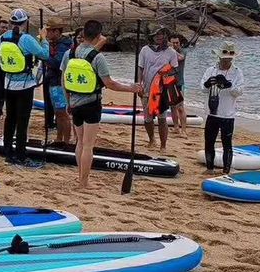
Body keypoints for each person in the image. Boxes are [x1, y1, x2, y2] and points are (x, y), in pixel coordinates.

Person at [62, 19, 143, 189]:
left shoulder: (69, 54)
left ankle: (80, 177)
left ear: (83, 34)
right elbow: (110, 83)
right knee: (88, 145)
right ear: (98, 36)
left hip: (74, 102)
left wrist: (68, 101)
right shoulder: (98, 57)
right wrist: (131, 88)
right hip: (91, 103)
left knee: (80, 142)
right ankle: (84, 182)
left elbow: (64, 80)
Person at [0, 9, 49, 167]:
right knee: (22, 121)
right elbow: (44, 54)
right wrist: (44, 39)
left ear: (10, 22)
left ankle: (8, 153)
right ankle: (21, 156)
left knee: (10, 119)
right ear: (25, 22)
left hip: (8, 83)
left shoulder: (2, 37)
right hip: (25, 85)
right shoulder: (26, 39)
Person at [200, 41, 244, 173]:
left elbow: (239, 92)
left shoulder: (237, 73)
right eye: (224, 58)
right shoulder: (210, 70)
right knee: (209, 141)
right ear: (219, 57)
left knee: (227, 143)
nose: (226, 61)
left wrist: (228, 85)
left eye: (229, 59)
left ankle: (226, 170)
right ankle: (209, 168)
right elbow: (202, 89)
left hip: (227, 113)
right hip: (212, 112)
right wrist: (208, 84)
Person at [137, 27, 180, 150]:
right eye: (156, 34)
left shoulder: (171, 52)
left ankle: (163, 145)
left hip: (162, 90)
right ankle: (151, 139)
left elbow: (174, 70)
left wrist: (165, 78)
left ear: (165, 36)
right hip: (147, 88)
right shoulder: (145, 50)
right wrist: (139, 84)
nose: (159, 36)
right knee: (148, 118)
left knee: (162, 118)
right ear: (152, 36)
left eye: (161, 34)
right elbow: (140, 68)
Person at [43, 18, 73, 144]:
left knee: (62, 113)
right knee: (58, 113)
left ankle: (66, 141)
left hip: (59, 82)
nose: (47, 33)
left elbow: (56, 63)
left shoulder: (64, 45)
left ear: (56, 32)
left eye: (49, 31)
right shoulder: (55, 44)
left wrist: (44, 55)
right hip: (53, 81)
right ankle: (59, 139)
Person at [169, 34, 188, 136]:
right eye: (173, 43)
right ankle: (176, 127)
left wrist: (172, 50)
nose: (175, 45)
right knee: (172, 107)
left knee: (180, 107)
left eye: (177, 43)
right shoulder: (167, 52)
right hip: (169, 82)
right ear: (170, 43)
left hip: (180, 83)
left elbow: (180, 58)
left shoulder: (182, 51)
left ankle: (183, 130)